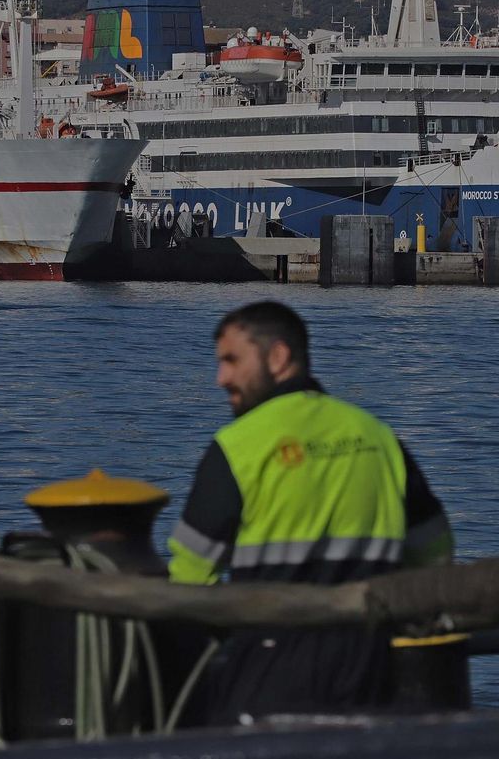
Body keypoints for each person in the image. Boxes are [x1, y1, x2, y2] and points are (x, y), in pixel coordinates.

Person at [168, 301, 454, 723]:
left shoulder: (238, 448)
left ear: (278, 357)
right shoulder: (378, 438)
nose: (221, 378)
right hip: (369, 681)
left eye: (231, 361)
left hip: (266, 684)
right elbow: (435, 556)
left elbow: (189, 586)